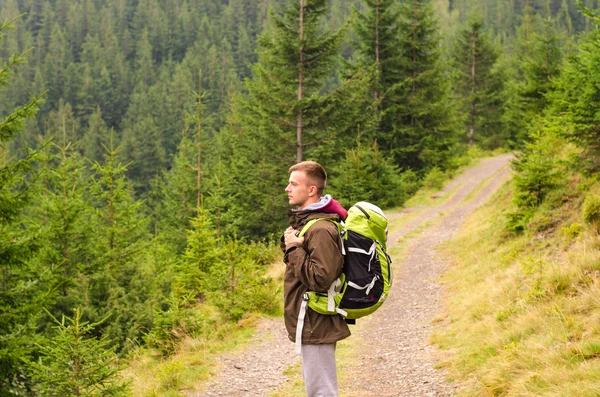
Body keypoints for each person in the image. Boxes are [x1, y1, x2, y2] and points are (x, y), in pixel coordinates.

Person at [281, 160, 350, 397]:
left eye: (293, 184)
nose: (287, 189)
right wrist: (291, 245)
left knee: (322, 392)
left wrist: (293, 249)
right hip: (312, 319)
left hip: (316, 320)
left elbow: (320, 278)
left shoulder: (320, 228)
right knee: (318, 389)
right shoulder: (310, 224)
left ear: (311, 190)